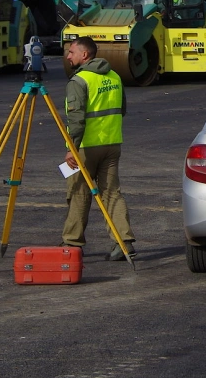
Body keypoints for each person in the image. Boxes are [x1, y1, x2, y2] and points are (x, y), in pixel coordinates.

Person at [62, 37, 135, 260]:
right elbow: (121, 109)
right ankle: (124, 242)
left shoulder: (79, 80)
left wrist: (71, 149)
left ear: (85, 55)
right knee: (111, 193)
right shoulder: (113, 76)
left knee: (78, 192)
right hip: (112, 145)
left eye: (72, 52)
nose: (68, 57)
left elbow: (76, 120)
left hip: (85, 148)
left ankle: (72, 243)